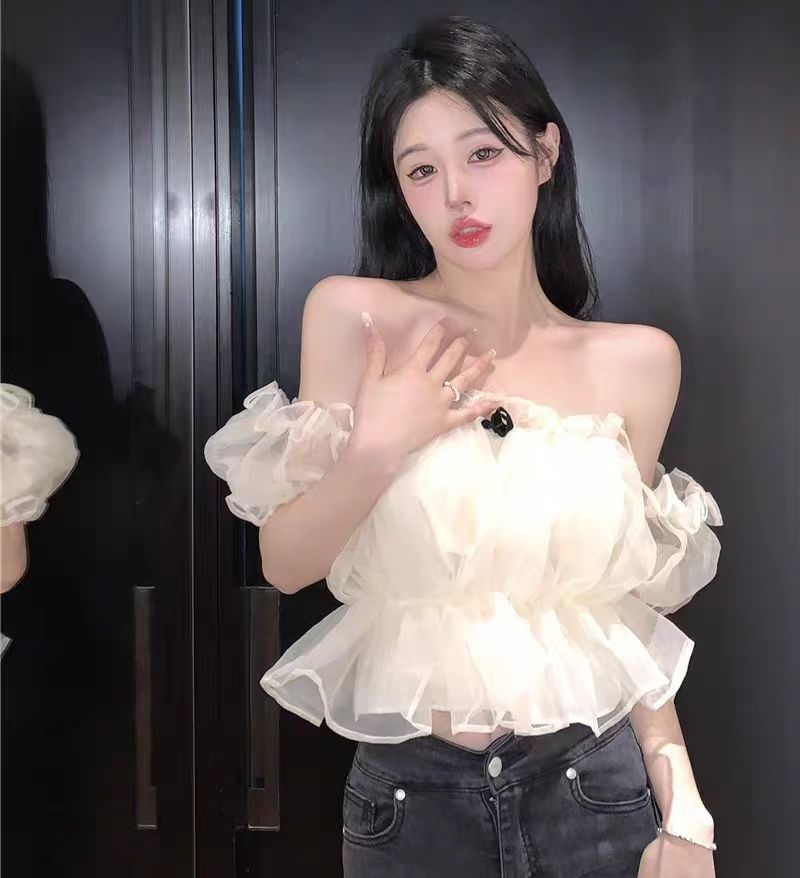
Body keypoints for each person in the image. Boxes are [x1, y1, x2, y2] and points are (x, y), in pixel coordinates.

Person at [204, 14, 722, 878]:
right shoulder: (355, 317)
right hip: (414, 801)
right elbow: (285, 563)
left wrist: (686, 810)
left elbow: (620, 610)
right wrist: (378, 447)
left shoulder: (638, 362)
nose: (456, 195)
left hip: (594, 789)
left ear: (545, 153)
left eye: (483, 153)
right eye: (421, 169)